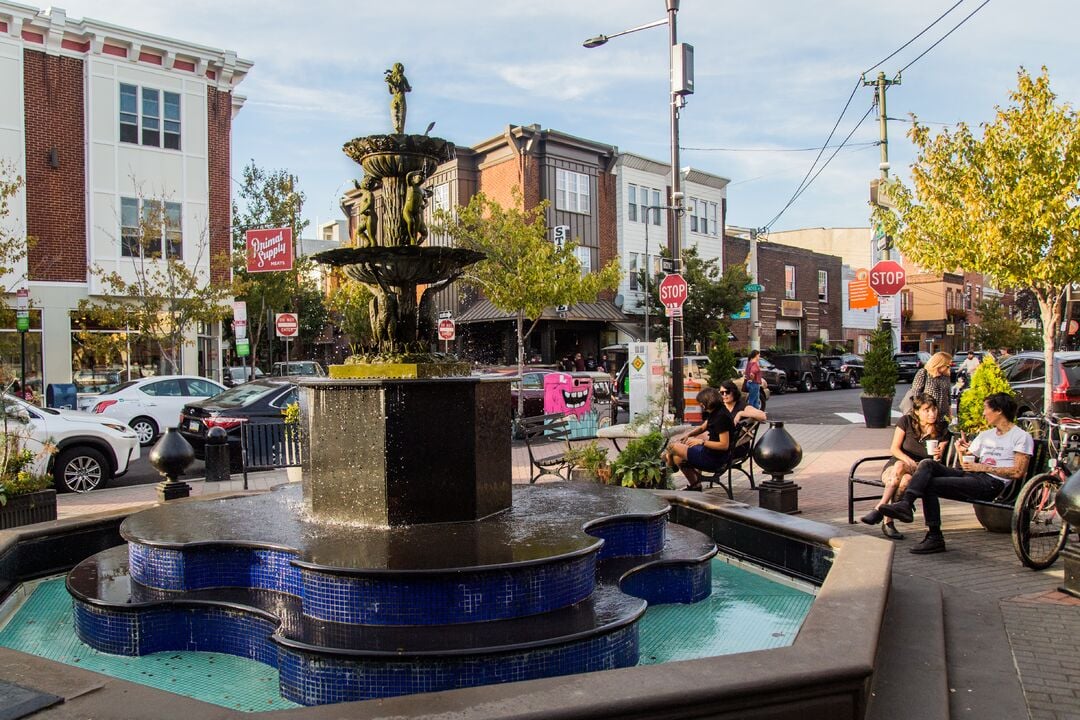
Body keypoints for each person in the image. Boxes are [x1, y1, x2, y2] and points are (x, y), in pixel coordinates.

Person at [879, 392, 1034, 554]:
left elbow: (1018, 472)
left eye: (986, 409)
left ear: (999, 411)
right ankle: (906, 504)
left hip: (992, 484)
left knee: (929, 484)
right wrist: (961, 451)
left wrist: (982, 468)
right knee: (927, 464)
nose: (983, 413)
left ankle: (935, 537)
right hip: (972, 476)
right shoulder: (986, 435)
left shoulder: (1020, 437)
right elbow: (965, 464)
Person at [860, 393, 948, 539]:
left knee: (905, 476)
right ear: (917, 411)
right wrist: (907, 460)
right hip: (895, 466)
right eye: (927, 410)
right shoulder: (906, 421)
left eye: (934, 409)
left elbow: (938, 458)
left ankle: (879, 511)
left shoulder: (941, 428)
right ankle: (887, 519)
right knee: (903, 475)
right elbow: (894, 449)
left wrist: (938, 453)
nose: (932, 414)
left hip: (921, 471)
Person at [665, 381, 767, 491]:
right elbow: (702, 427)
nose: (724, 395)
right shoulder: (718, 411)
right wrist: (689, 434)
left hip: (713, 459)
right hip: (713, 453)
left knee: (672, 447)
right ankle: (695, 486)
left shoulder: (721, 417)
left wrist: (701, 442)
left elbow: (724, 445)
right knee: (678, 456)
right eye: (721, 393)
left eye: (726, 392)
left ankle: (670, 467)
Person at [911, 351, 952, 419]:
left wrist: (950, 414)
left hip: (943, 415)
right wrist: (920, 412)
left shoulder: (945, 376)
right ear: (939, 364)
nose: (949, 368)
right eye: (947, 366)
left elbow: (948, 397)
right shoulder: (924, 373)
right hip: (928, 414)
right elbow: (916, 395)